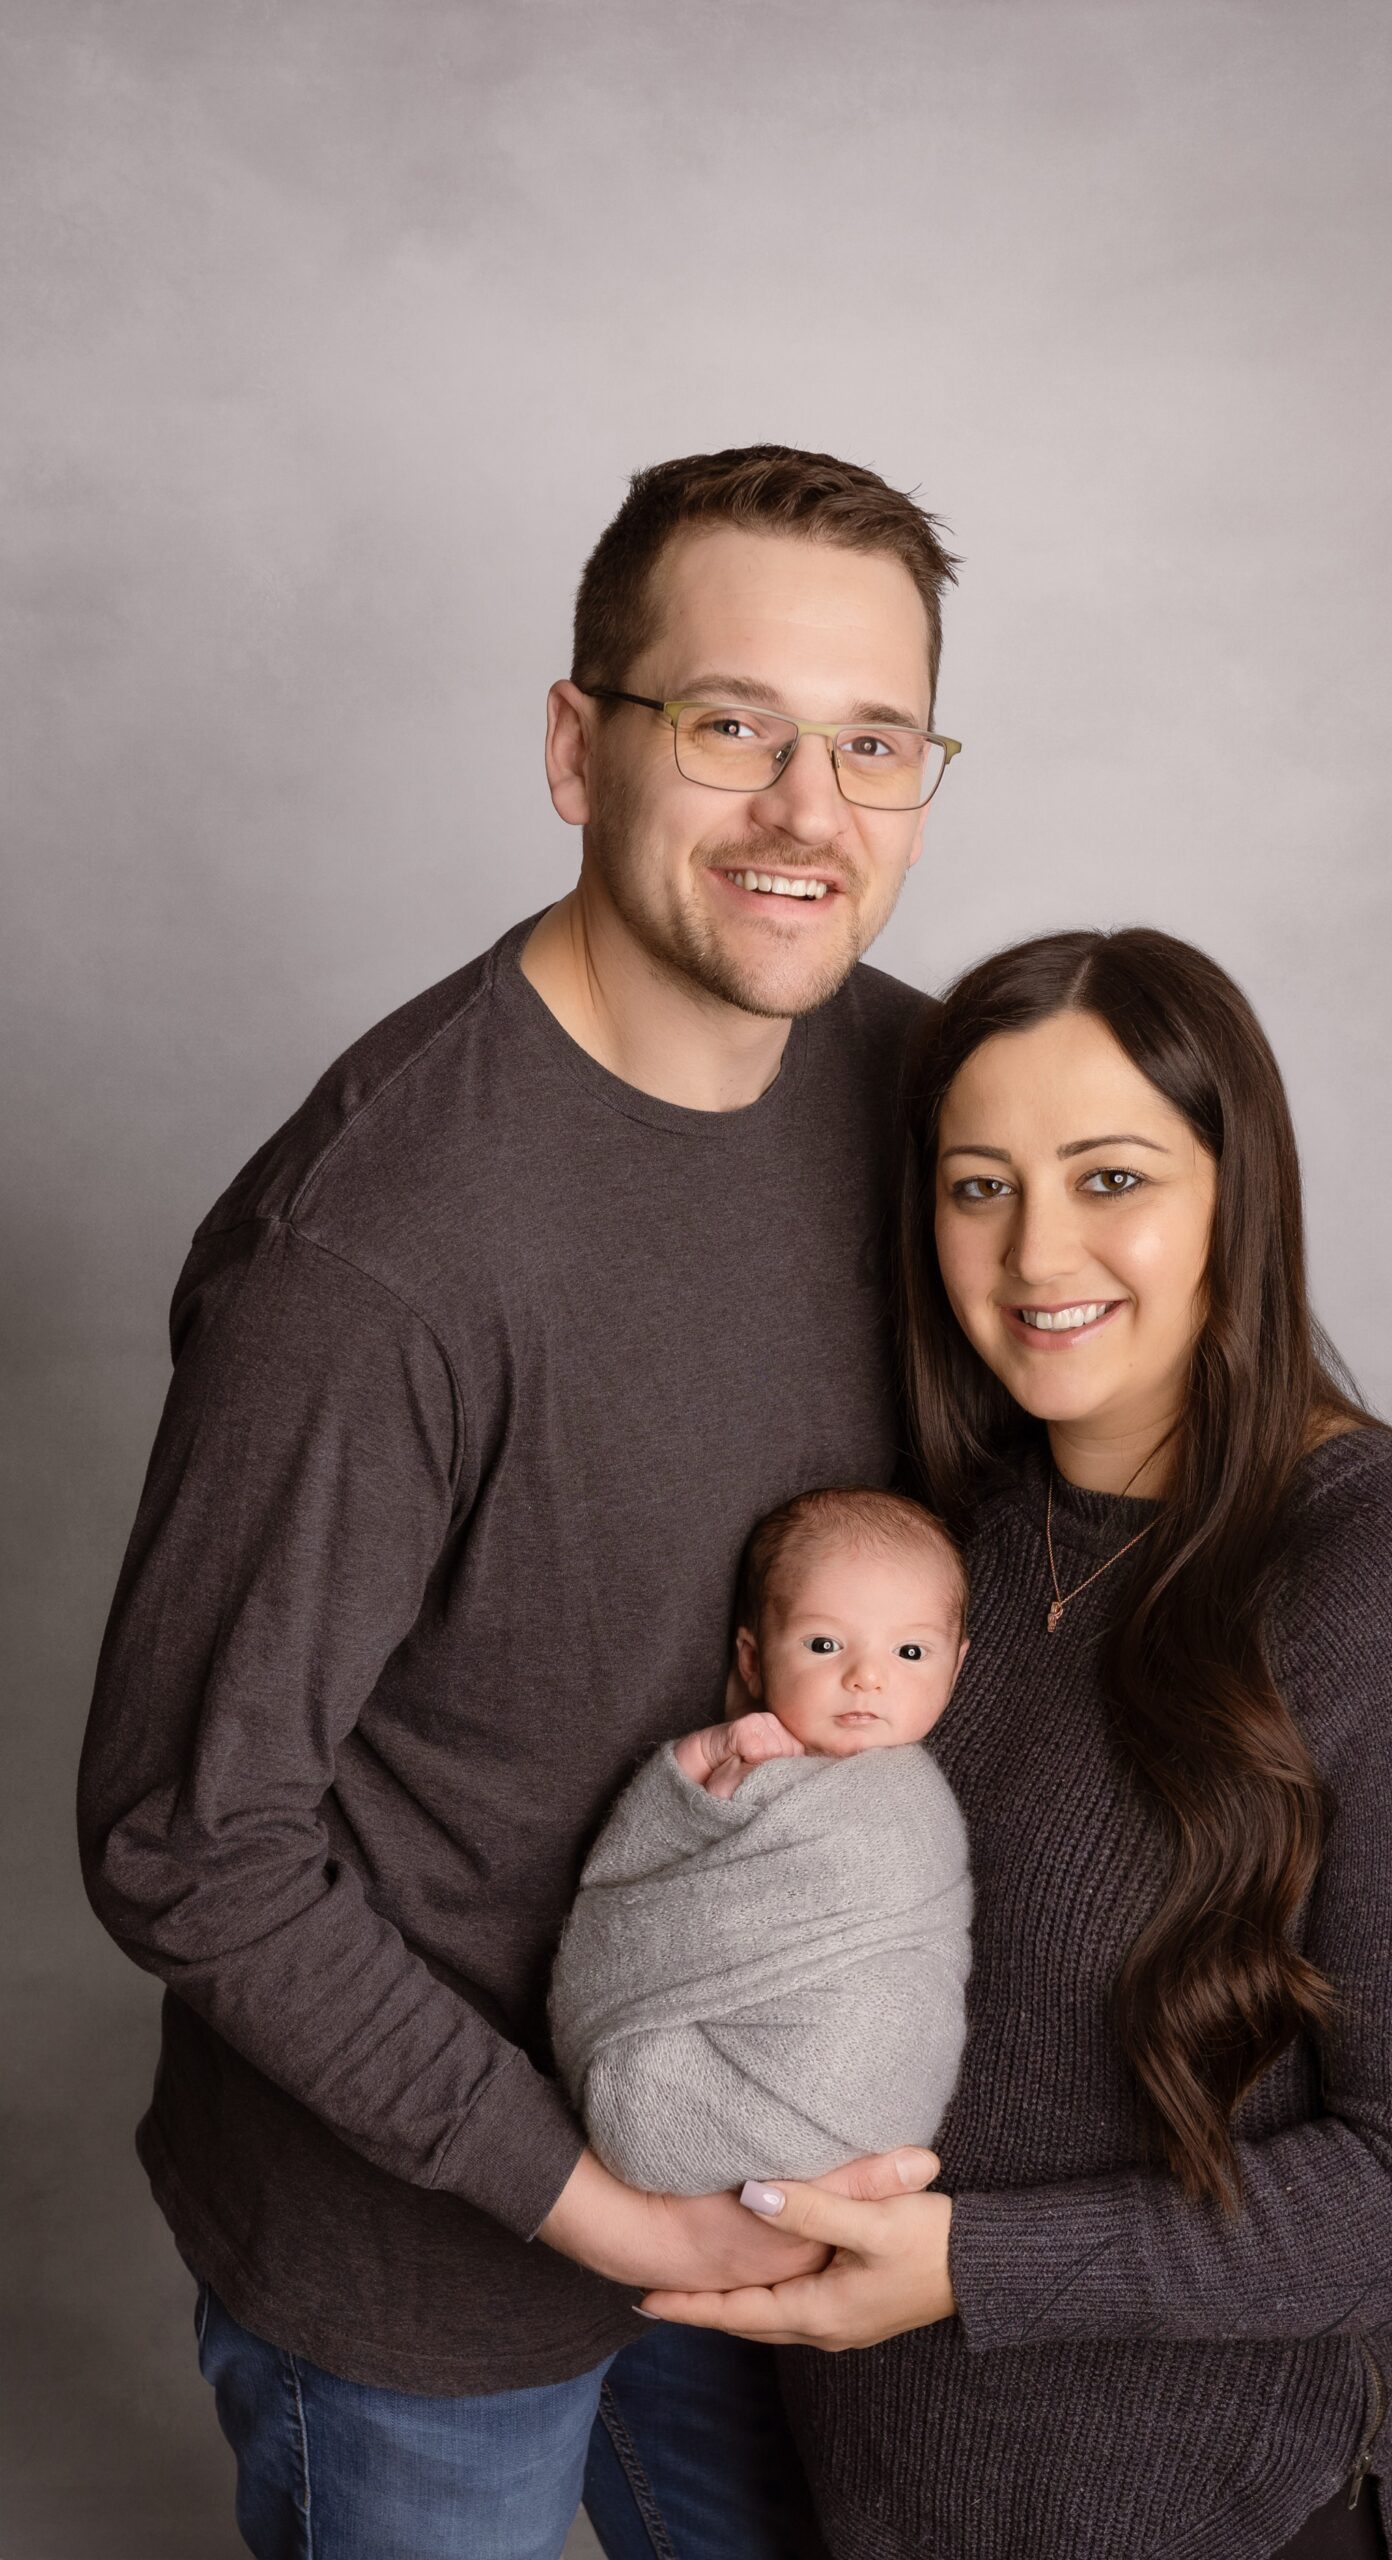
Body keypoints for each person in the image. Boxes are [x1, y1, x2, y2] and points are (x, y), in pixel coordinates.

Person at [75, 444, 963, 2560]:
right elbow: (189, 1845)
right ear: (579, 745)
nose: (805, 815)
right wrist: (590, 2194)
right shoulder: (378, 1251)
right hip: (418, 2257)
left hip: (764, 2183)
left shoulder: (926, 1099)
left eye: (872, 742)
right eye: (730, 724)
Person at [638, 927, 1392, 2560]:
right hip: (884, 2493)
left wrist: (980, 2269)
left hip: (1222, 2515)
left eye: (1109, 1177)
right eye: (978, 1186)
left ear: (1238, 1194)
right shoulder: (936, 1545)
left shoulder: (1377, 1580)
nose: (1032, 1254)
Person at [551, 1486, 973, 2197]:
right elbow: (639, 1863)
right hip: (712, 2083)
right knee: (642, 2099)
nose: (866, 1676)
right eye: (823, 1644)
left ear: (955, 1668)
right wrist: (698, 1783)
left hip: (866, 2094)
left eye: (909, 1651)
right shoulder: (742, 1764)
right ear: (752, 1661)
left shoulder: (912, 1805)